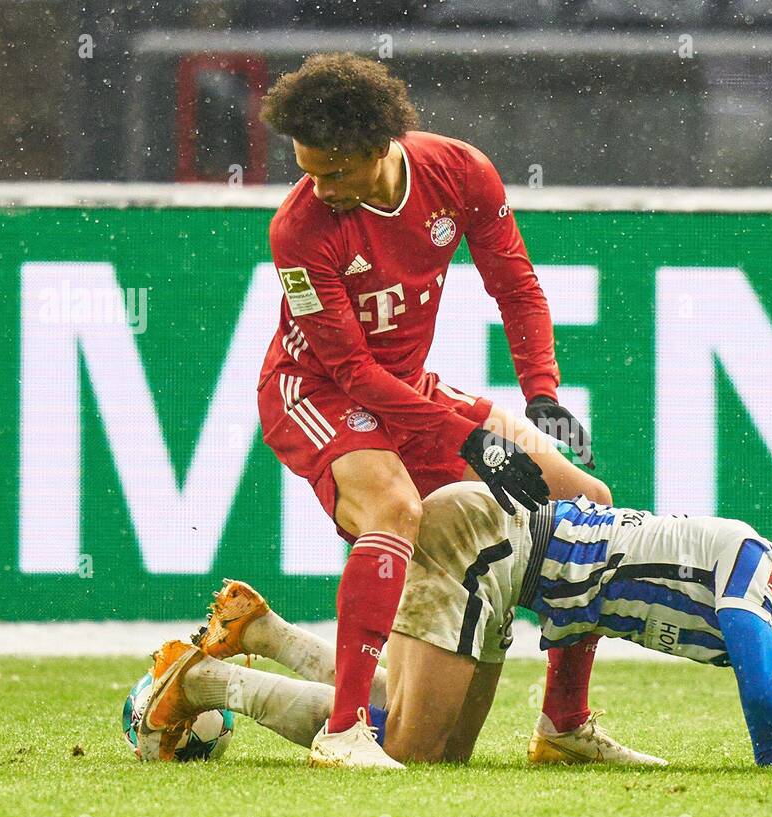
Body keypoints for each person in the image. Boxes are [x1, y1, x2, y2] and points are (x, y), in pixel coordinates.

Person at [254, 52, 623, 768]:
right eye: (305, 170)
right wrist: (470, 440)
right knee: (394, 507)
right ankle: (343, 733)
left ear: (378, 145)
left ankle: (563, 727)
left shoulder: (458, 172)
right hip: (315, 392)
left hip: (408, 389)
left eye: (332, 171)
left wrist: (541, 393)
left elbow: (516, 285)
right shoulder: (298, 230)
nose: (318, 187)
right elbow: (350, 370)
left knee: (587, 506)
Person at [140, 483, 772, 773]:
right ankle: (208, 681)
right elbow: (769, 698)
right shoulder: (756, 567)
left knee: (440, 744)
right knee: (411, 750)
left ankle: (266, 634)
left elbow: (770, 735)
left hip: (508, 565)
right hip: (487, 538)